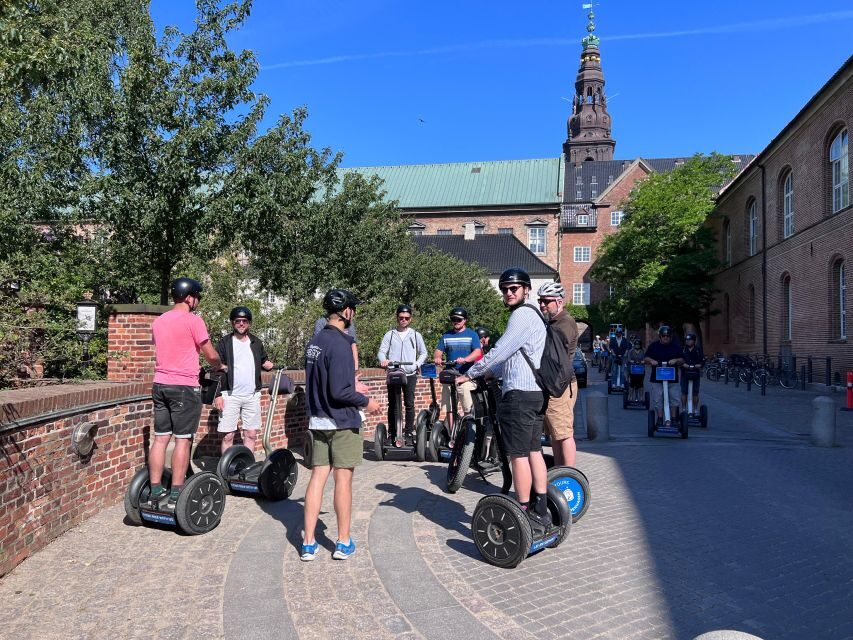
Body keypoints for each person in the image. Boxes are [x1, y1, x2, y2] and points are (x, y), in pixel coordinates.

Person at [457, 268, 550, 529]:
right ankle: (540, 508)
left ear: (526, 289)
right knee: (534, 451)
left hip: (519, 396)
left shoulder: (521, 315)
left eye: (514, 288)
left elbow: (499, 351)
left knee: (517, 455)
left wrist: (471, 373)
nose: (509, 293)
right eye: (505, 290)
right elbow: (514, 357)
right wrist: (491, 374)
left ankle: (521, 512)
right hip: (535, 394)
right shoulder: (536, 316)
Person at [302, 289, 380, 561]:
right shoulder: (342, 344)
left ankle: (309, 543)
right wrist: (365, 402)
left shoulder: (315, 341)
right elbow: (339, 391)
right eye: (353, 309)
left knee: (317, 477)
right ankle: (343, 542)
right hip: (342, 421)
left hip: (318, 419)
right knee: (342, 480)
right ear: (346, 311)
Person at [148, 277, 224, 508]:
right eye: (197, 297)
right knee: (183, 440)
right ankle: (175, 495)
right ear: (190, 297)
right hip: (184, 387)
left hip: (160, 385)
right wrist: (219, 365)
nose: (197, 301)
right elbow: (209, 353)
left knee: (160, 438)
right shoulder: (194, 320)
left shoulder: (159, 321)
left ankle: (155, 490)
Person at [214, 306, 273, 454]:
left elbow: (264, 361)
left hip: (252, 396)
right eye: (238, 321)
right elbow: (217, 369)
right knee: (228, 436)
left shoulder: (256, 343)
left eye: (244, 321)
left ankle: (247, 468)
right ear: (232, 323)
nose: (241, 324)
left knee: (251, 434)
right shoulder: (225, 343)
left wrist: (270, 365)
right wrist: (218, 394)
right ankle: (225, 472)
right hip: (230, 395)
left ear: (249, 323)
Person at [536, 282, 579, 467]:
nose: (542, 305)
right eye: (540, 301)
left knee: (563, 434)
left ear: (559, 302)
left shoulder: (564, 322)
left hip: (559, 385)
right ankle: (560, 473)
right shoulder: (552, 322)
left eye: (546, 301)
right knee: (556, 433)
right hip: (555, 385)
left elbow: (556, 356)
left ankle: (570, 477)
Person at [377, 304, 428, 438]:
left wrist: (416, 364)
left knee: (409, 403)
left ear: (410, 319)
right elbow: (381, 352)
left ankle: (409, 431)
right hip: (394, 373)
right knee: (393, 403)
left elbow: (423, 353)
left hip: (410, 374)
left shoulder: (416, 335)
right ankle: (392, 432)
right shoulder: (390, 334)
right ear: (397, 318)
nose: (403, 320)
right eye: (401, 317)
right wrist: (384, 360)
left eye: (406, 318)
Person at [433, 307, 482, 431]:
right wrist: (438, 358)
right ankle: (452, 433)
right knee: (449, 406)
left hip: (466, 376)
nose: (456, 322)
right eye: (454, 319)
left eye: (459, 319)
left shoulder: (472, 335)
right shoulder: (446, 335)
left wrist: (466, 359)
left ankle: (468, 432)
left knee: (467, 404)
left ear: (465, 320)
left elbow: (477, 352)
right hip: (450, 375)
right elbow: (438, 351)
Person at [643, 326, 684, 425]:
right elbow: (646, 358)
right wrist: (651, 361)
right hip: (657, 378)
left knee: (674, 398)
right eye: (663, 336)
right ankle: (660, 418)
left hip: (672, 378)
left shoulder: (676, 347)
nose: (665, 337)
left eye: (667, 336)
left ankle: (673, 418)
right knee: (658, 399)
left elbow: (682, 360)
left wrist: (676, 360)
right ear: (660, 336)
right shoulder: (653, 346)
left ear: (670, 337)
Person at [680, 332, 704, 411]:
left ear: (694, 341)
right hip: (684, 373)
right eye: (687, 340)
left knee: (695, 392)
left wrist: (699, 365)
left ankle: (695, 409)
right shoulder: (683, 349)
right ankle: (684, 408)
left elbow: (702, 361)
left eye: (690, 340)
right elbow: (679, 360)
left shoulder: (698, 350)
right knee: (684, 392)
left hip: (695, 374)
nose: (688, 341)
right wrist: (683, 364)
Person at [626, 338, 646, 403]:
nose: (637, 346)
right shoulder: (631, 351)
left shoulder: (643, 351)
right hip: (633, 369)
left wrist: (644, 361)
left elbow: (645, 358)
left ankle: (641, 397)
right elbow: (628, 359)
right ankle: (630, 396)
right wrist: (631, 361)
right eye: (636, 344)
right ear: (634, 345)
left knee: (640, 384)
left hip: (640, 369)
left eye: (638, 345)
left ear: (640, 345)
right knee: (632, 383)